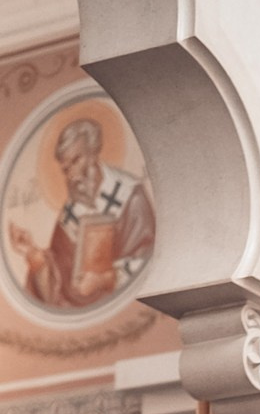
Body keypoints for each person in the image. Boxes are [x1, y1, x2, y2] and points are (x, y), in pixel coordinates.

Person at [10, 116, 157, 310]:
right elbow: (59, 281)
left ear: (93, 153)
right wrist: (33, 254)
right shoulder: (70, 213)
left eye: (76, 161)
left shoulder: (131, 196)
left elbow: (151, 261)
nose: (72, 174)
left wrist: (105, 279)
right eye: (66, 169)